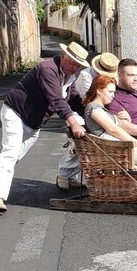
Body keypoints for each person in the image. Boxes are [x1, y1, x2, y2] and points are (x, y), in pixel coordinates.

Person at [0, 42, 89, 212]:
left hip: (34, 122)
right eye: (71, 62)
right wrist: (74, 122)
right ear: (63, 56)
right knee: (10, 152)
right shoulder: (47, 69)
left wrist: (91, 114)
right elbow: (56, 100)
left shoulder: (69, 77)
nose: (74, 67)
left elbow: (74, 100)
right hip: (16, 113)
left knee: (15, 155)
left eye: (78, 65)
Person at [56, 52, 120, 190]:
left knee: (91, 148)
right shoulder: (86, 75)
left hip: (100, 113)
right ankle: (64, 174)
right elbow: (90, 101)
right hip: (81, 111)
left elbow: (112, 97)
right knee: (79, 145)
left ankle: (72, 176)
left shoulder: (113, 77)